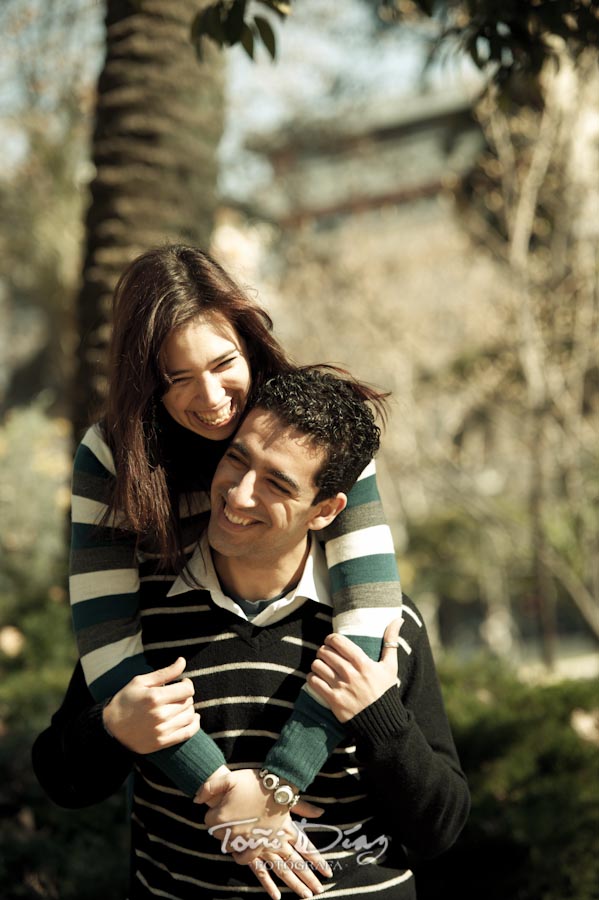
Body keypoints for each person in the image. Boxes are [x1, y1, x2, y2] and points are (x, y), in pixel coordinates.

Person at [34, 368, 470, 900]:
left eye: (277, 484)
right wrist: (110, 728)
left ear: (327, 509)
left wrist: (379, 718)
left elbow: (439, 830)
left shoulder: (385, 628)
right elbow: (62, 782)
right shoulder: (137, 624)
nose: (239, 495)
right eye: (238, 458)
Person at [68, 245, 403, 817]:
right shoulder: (112, 454)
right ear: (147, 382)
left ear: (248, 341)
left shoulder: (316, 424)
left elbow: (370, 611)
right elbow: (108, 643)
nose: (212, 399)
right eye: (178, 378)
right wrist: (216, 787)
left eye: (224, 363)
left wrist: (279, 782)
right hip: (179, 653)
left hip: (289, 650)